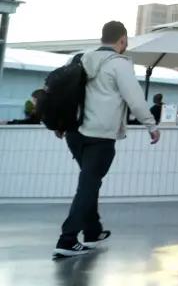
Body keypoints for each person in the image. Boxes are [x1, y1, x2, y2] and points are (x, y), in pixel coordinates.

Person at [55, 21, 161, 258]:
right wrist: (151, 125)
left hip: (74, 133)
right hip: (100, 136)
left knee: (90, 182)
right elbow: (135, 99)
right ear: (122, 39)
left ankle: (92, 231)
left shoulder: (80, 58)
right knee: (88, 185)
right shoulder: (118, 64)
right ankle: (67, 239)